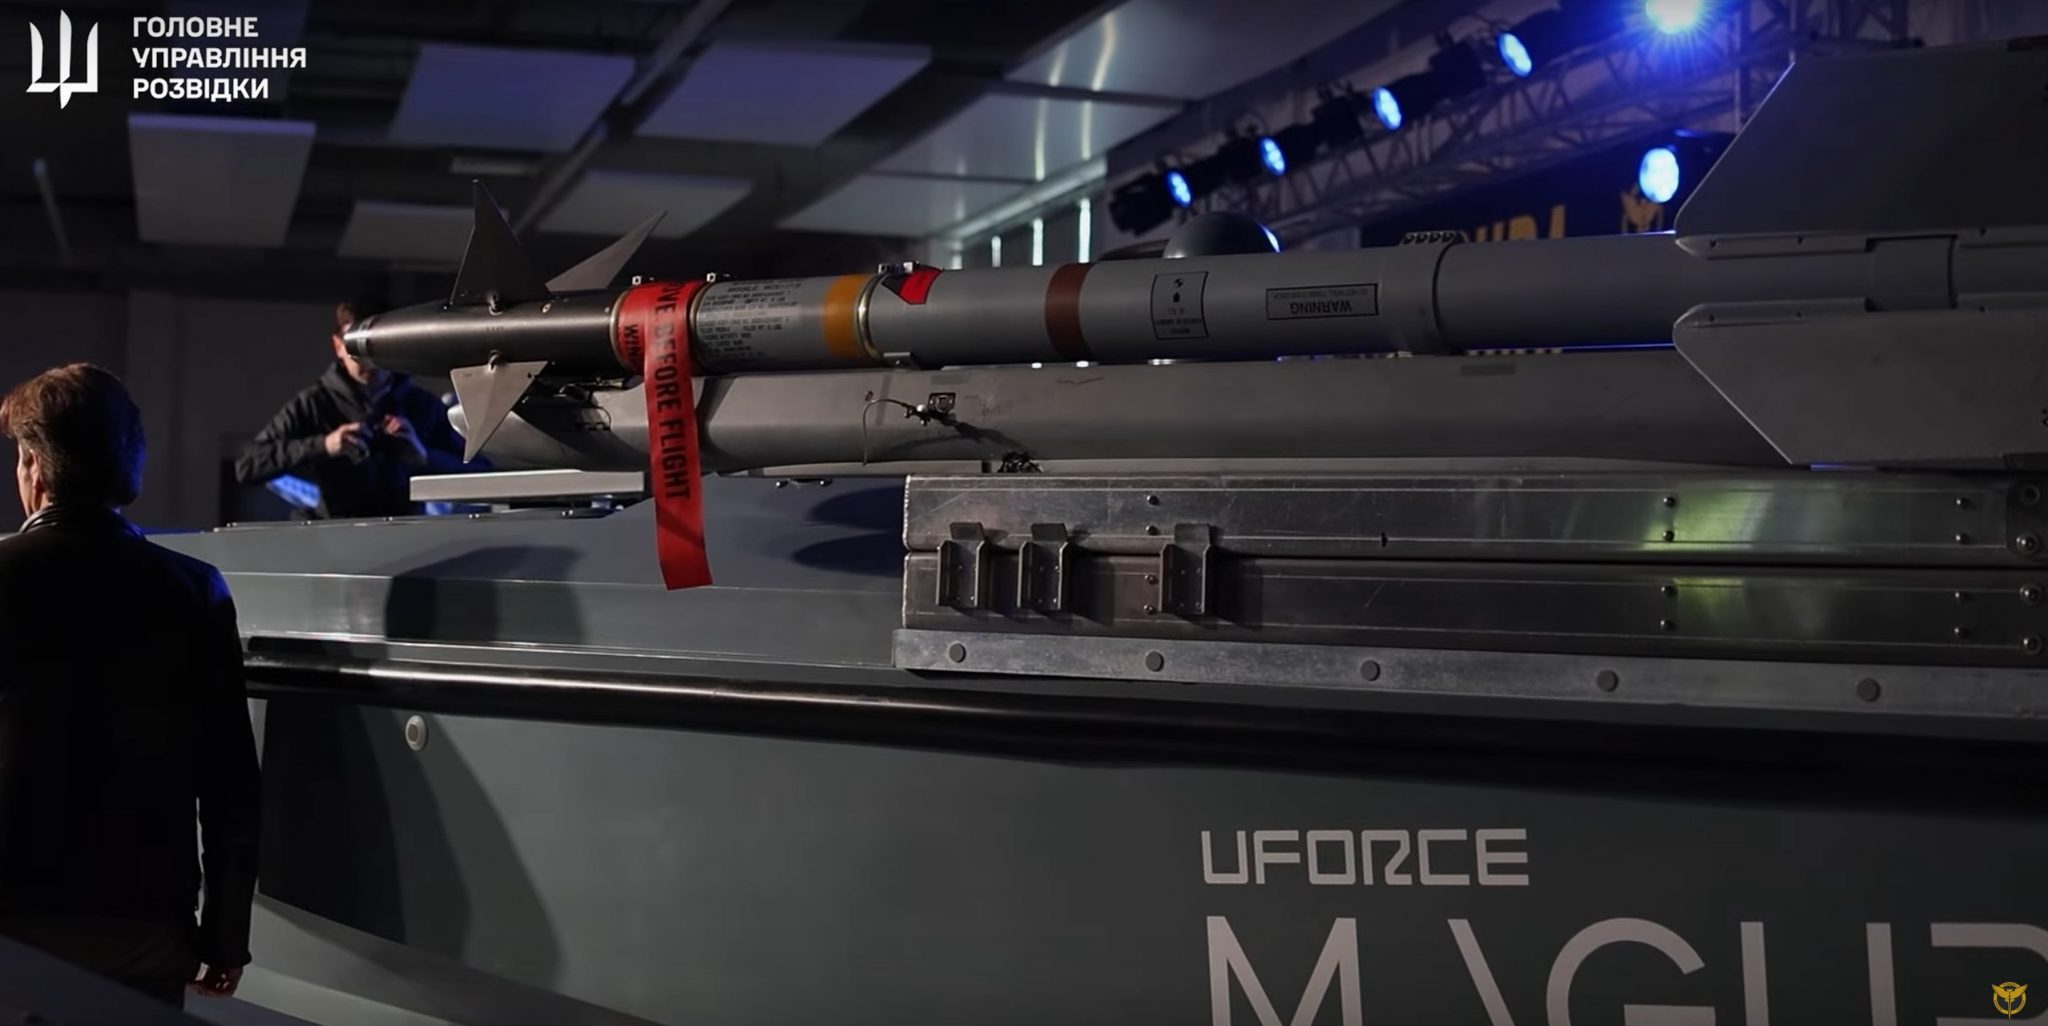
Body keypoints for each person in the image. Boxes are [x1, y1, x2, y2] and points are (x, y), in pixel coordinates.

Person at [0, 364, 260, 1005]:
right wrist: (225, 935)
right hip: (144, 926)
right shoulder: (194, 590)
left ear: (34, 466)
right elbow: (230, 783)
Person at [234, 299, 470, 518]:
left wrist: (423, 456)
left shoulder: (421, 405)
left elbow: (477, 472)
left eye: (377, 344)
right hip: (336, 536)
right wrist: (324, 445)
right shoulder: (314, 403)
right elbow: (248, 465)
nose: (367, 356)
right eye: (355, 344)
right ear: (338, 346)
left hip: (407, 534)